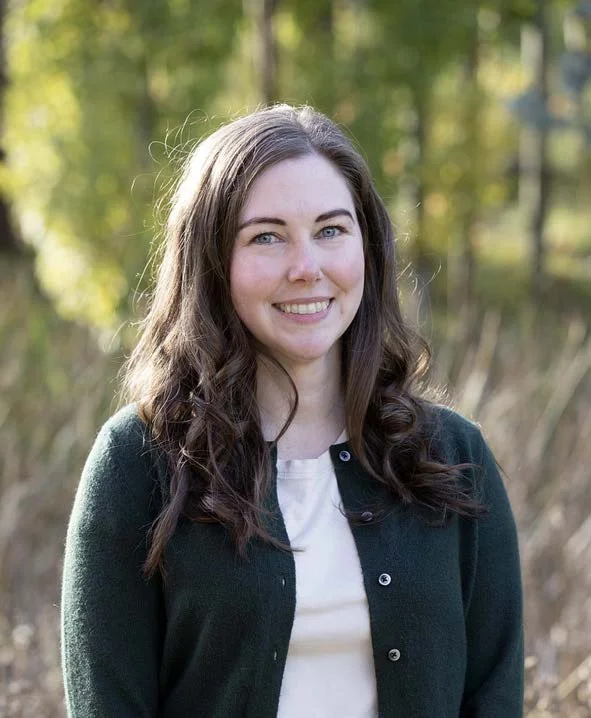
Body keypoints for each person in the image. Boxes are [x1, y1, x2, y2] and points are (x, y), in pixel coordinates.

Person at [61, 104, 524, 717]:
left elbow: (494, 695)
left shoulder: (452, 457)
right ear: (210, 263)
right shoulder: (139, 464)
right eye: (267, 237)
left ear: (368, 249)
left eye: (331, 230)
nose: (306, 268)